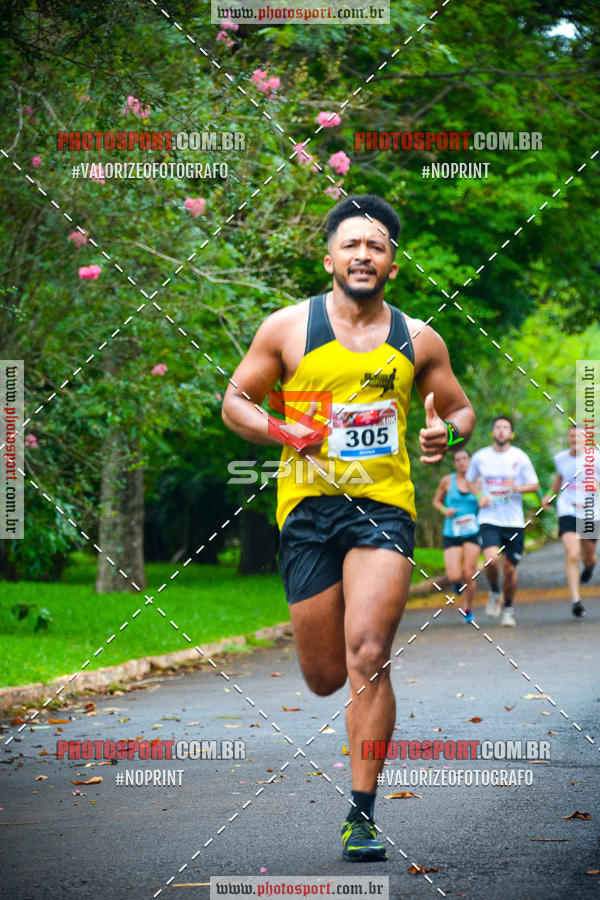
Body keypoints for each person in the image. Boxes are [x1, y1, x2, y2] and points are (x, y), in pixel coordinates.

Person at [222, 194, 475, 862]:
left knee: (369, 652)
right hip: (306, 513)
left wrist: (443, 434)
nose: (364, 254)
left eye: (378, 246)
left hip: (382, 509)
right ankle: (336, 661)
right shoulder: (287, 329)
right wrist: (283, 430)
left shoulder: (419, 339)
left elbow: (460, 409)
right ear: (329, 255)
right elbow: (235, 401)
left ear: (393, 263)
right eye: (352, 244)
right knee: (325, 675)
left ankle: (361, 815)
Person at [466, 416, 540, 627]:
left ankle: (508, 608)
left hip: (514, 521)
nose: (501, 431)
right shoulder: (481, 457)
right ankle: (494, 591)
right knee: (491, 560)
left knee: (509, 568)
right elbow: (471, 480)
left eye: (505, 428)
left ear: (511, 433)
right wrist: (479, 496)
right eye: (497, 427)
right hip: (489, 518)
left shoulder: (520, 457)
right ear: (492, 432)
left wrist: (517, 487)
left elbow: (534, 485)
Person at [541, 424, 599, 617]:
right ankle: (576, 600)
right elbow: (560, 479)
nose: (575, 440)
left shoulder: (596, 458)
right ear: (568, 439)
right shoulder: (561, 458)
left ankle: (590, 566)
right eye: (572, 437)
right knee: (573, 553)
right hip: (568, 509)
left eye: (579, 437)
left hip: (591, 512)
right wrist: (549, 494)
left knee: (588, 555)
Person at [432, 448, 482, 623]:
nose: (462, 462)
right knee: (454, 576)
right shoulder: (447, 481)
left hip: (472, 532)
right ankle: (457, 584)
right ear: (454, 463)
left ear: (470, 461)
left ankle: (468, 608)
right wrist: (444, 510)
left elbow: (485, 501)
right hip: (451, 532)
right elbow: (436, 501)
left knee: (470, 572)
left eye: (465, 459)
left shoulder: (478, 481)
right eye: (458, 459)